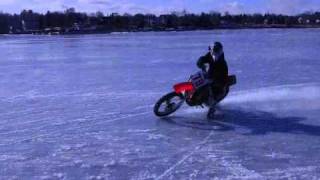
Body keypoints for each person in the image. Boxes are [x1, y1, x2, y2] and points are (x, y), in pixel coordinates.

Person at [196, 42, 229, 118]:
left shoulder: (222, 63)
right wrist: (201, 63)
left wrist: (214, 79)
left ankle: (212, 109)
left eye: (217, 50)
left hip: (219, 85)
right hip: (208, 77)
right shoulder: (210, 55)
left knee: (209, 92)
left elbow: (223, 78)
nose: (214, 52)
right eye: (213, 50)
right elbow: (202, 59)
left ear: (220, 51)